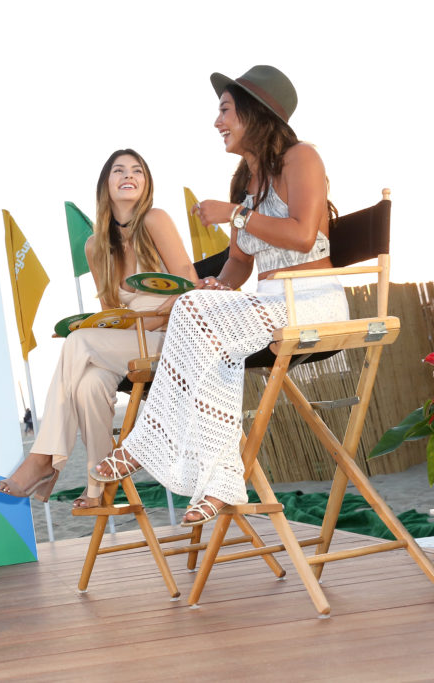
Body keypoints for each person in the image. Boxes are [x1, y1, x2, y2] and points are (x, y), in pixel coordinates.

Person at [93, 65, 349, 527]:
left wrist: (233, 214)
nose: (218, 122)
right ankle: (220, 480)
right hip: (270, 303)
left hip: (311, 300)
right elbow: (239, 265)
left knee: (198, 317)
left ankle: (146, 444)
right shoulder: (245, 181)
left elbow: (304, 235)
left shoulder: (301, 158)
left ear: (255, 112)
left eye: (226, 110)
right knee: (195, 305)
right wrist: (219, 286)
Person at [0, 149, 198, 508]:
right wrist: (98, 327)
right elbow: (112, 313)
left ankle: (43, 459)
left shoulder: (156, 220)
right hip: (130, 344)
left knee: (79, 343)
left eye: (137, 170)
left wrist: (142, 322)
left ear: (146, 182)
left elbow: (190, 288)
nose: (128, 175)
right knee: (88, 385)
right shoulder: (95, 247)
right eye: (118, 170)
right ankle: (98, 487)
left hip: (171, 338)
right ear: (106, 184)